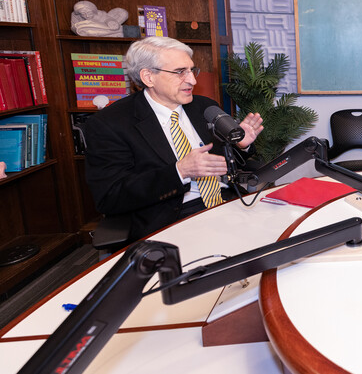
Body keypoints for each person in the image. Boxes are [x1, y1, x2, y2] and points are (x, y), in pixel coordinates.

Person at [85, 36, 264, 241]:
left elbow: (223, 162)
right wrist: (180, 171)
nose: (192, 80)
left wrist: (241, 146)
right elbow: (111, 197)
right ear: (148, 77)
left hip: (228, 202)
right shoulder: (110, 123)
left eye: (191, 70)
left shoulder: (204, 107)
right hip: (170, 217)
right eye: (180, 72)